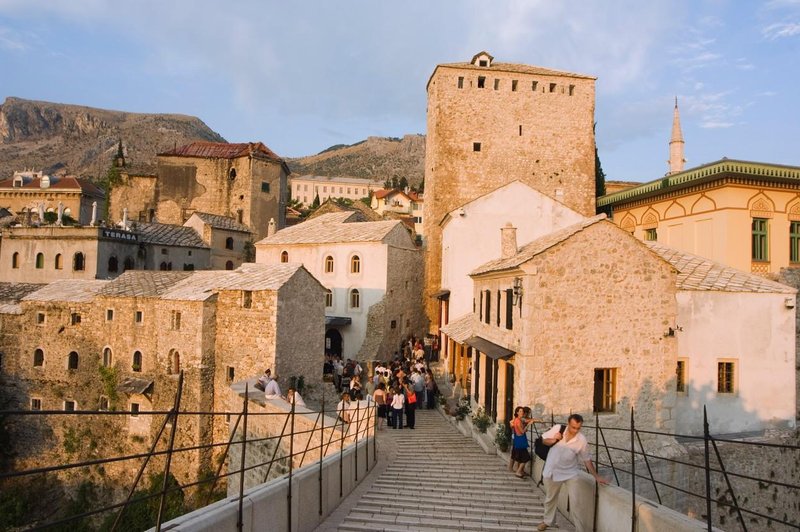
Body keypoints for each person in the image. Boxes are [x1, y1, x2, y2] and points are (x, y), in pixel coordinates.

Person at [537, 414, 607, 532]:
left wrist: (596, 476)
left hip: (571, 473)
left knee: (576, 503)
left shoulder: (581, 440)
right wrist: (555, 439)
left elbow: (586, 460)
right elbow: (544, 441)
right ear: (568, 423)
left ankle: (580, 530)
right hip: (553, 471)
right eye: (573, 427)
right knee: (550, 499)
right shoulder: (558, 428)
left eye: (578, 428)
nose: (575, 430)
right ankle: (547, 521)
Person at [508, 406, 533, 478]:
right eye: (521, 411)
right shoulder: (517, 421)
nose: (523, 413)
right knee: (525, 457)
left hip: (518, 441)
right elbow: (522, 432)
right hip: (520, 442)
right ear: (517, 412)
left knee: (518, 455)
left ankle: (515, 469)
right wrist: (528, 425)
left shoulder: (517, 420)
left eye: (523, 411)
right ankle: (518, 471)